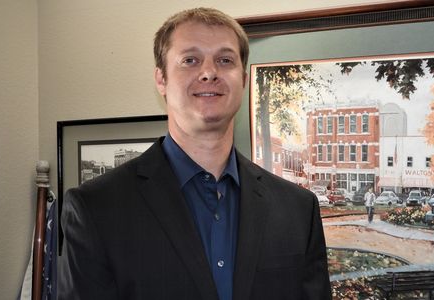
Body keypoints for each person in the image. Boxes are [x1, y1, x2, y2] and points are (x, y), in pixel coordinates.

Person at [58, 8, 331, 300]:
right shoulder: (96, 208)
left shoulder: (298, 210)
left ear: (243, 80)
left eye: (224, 60)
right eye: (190, 60)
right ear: (161, 79)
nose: (209, 72)